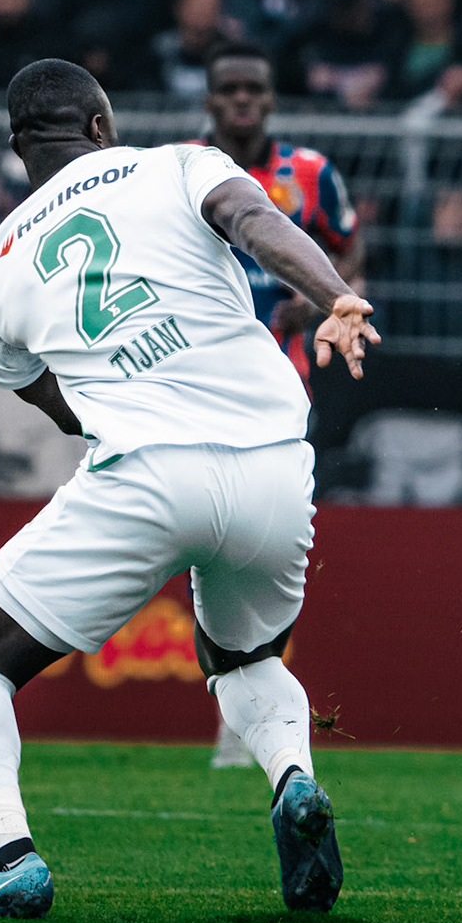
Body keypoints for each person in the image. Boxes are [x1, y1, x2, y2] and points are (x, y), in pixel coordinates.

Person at [0, 58, 378, 918]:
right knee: (244, 657)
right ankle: (292, 778)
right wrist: (336, 297)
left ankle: (11, 857)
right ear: (101, 125)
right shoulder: (177, 163)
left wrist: (112, 404)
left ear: (19, 147)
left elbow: (34, 387)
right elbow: (254, 220)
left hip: (144, 473)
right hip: (275, 465)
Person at [196, 40, 361, 767]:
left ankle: (250, 711)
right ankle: (237, 695)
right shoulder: (182, 169)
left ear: (269, 98)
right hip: (196, 384)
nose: (242, 99)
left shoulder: (311, 174)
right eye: (229, 88)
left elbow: (349, 252)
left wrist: (320, 297)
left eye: (253, 88)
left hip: (282, 388)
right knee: (205, 540)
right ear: (210, 99)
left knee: (267, 546)